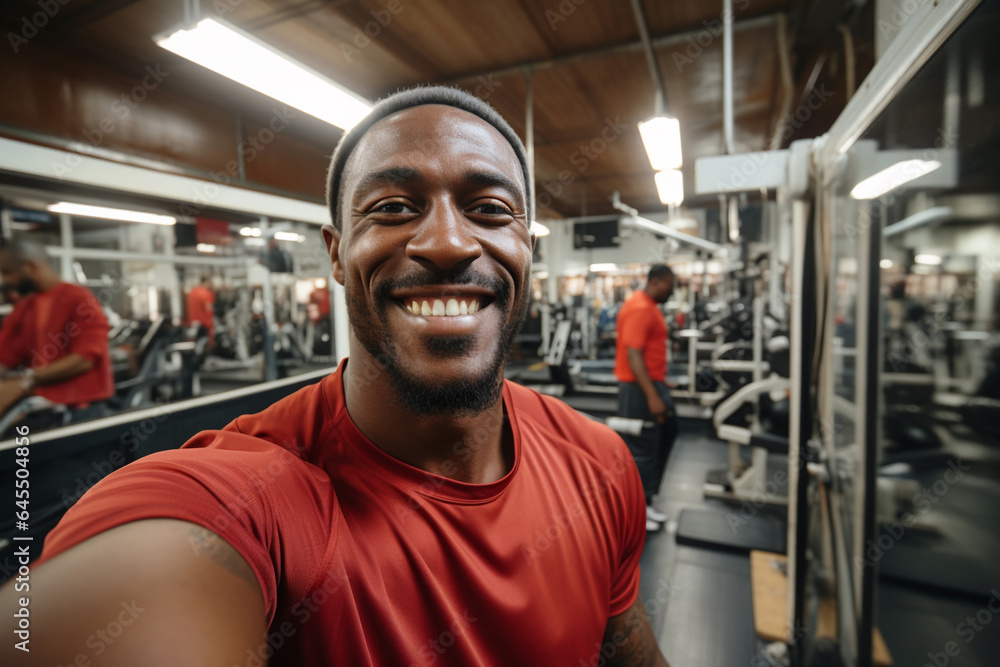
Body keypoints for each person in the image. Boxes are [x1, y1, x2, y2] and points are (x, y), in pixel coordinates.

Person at [0, 87, 670, 667]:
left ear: (527, 245)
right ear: (337, 255)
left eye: (490, 209)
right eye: (393, 208)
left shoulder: (601, 463)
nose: (446, 242)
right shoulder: (255, 495)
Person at [0, 240, 113, 423]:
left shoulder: (79, 299)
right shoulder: (26, 306)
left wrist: (26, 380)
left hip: (81, 410)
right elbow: (7, 353)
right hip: (42, 404)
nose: (6, 281)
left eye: (7, 272)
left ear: (30, 267)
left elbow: (84, 359)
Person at [614, 265, 678, 532]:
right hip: (639, 388)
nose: (672, 291)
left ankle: (646, 500)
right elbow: (634, 355)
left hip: (649, 383)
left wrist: (660, 380)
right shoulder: (640, 307)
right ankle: (638, 509)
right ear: (659, 281)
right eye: (670, 285)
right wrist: (652, 395)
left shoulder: (647, 305)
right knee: (642, 448)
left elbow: (646, 353)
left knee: (663, 436)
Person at [185, 274, 216, 344]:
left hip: (193, 324)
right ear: (208, 282)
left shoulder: (193, 291)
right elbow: (209, 311)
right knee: (205, 347)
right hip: (204, 326)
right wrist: (212, 329)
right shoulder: (206, 293)